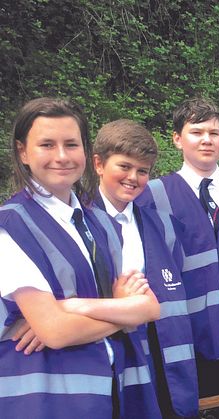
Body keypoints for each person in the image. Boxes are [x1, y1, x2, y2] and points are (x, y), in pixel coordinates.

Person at [0, 98, 161, 418]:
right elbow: (55, 332)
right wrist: (120, 309)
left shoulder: (99, 221)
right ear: (23, 152)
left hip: (114, 388)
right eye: (47, 144)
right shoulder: (10, 226)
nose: (61, 156)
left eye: (71, 144)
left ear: (86, 153)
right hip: (50, 398)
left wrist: (69, 307)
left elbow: (149, 306)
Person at [136, 98, 219, 398]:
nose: (207, 140)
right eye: (197, 132)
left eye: (215, 132)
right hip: (179, 335)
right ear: (177, 139)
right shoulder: (153, 197)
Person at [92, 119, 200, 417]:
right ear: (99, 164)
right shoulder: (81, 223)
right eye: (124, 167)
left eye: (142, 171)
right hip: (111, 353)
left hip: (162, 350)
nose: (133, 178)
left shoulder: (161, 224)